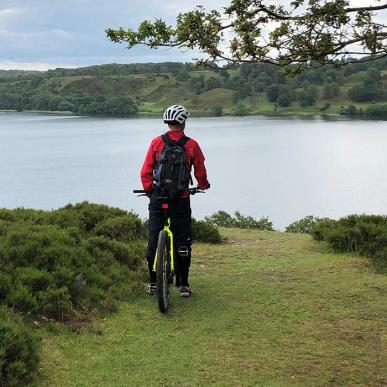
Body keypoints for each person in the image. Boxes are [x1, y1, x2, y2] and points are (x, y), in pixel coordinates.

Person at [140, 105, 210, 297]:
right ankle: (184, 285)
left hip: (158, 197)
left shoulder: (156, 142)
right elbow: (200, 171)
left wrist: (149, 190)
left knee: (154, 237)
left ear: (168, 123)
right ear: (183, 122)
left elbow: (146, 171)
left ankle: (154, 283)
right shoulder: (191, 144)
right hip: (180, 199)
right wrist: (203, 185)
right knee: (182, 240)